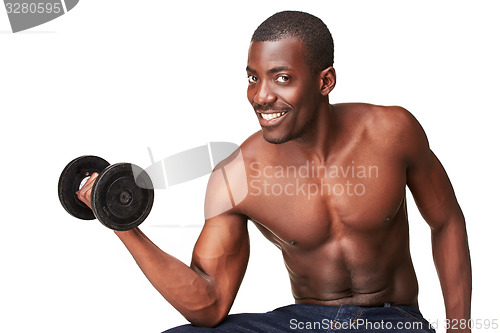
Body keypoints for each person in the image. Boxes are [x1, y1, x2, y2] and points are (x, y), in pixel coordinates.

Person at [77, 11, 471, 332]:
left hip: (392, 320)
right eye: (253, 77)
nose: (262, 96)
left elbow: (447, 220)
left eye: (281, 78)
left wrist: (459, 328)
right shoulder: (237, 177)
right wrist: (121, 223)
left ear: (325, 81)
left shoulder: (391, 132)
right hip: (305, 323)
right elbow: (209, 304)